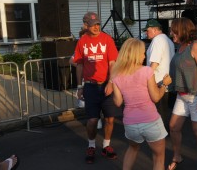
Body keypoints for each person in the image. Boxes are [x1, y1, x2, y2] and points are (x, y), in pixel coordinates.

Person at [111, 38, 172, 170]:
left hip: (130, 123)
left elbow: (118, 102)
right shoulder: (146, 71)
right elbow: (155, 97)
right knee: (158, 157)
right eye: (143, 53)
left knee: (132, 149)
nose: (144, 56)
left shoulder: (116, 75)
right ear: (135, 54)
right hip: (150, 121)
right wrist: (164, 85)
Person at [73, 11, 122, 164]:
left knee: (110, 119)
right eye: (93, 24)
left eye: (98, 24)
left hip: (107, 85)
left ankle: (106, 145)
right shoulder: (82, 41)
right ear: (85, 25)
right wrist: (80, 86)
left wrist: (111, 82)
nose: (96, 27)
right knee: (93, 120)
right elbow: (79, 65)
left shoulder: (107, 39)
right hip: (91, 87)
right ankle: (91, 145)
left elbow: (113, 63)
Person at [167, 18, 197, 170]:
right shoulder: (180, 47)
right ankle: (177, 156)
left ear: (182, 30)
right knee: (173, 127)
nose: (171, 33)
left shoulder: (196, 46)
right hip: (183, 95)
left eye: (173, 30)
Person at [143, 19, 175, 130]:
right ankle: (164, 131)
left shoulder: (157, 40)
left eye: (147, 30)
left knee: (158, 109)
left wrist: (146, 79)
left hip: (157, 82)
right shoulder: (167, 40)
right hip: (165, 81)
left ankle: (160, 133)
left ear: (155, 30)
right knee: (163, 108)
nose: (146, 33)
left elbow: (154, 63)